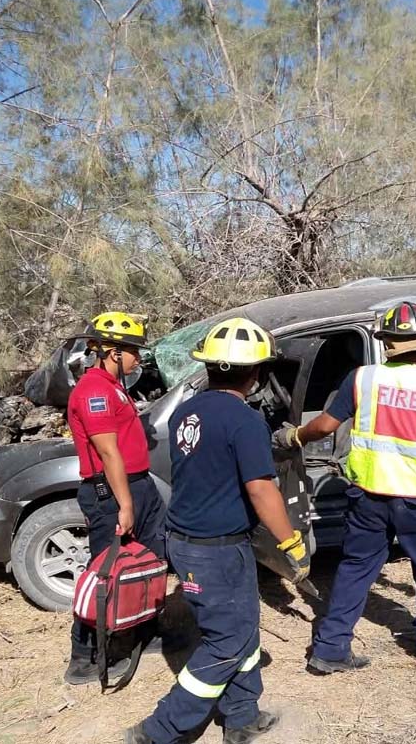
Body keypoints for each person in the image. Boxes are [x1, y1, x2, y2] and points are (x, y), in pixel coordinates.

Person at [273, 300, 416, 672]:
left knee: (356, 568)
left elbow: (323, 426)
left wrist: (295, 436)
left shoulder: (363, 379)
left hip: (368, 496)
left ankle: (330, 649)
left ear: (385, 341)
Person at [126, 318, 310, 744]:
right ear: (257, 373)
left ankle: (242, 716)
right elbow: (262, 491)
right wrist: (291, 543)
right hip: (216, 551)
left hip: (193, 541)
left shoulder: (186, 413)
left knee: (243, 628)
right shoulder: (246, 422)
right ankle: (158, 731)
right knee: (227, 641)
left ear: (208, 367)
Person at [64, 311, 166, 685]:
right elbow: (108, 454)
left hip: (137, 485)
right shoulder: (93, 391)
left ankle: (146, 630)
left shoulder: (113, 386)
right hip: (111, 493)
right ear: (111, 351)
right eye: (132, 351)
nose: (138, 358)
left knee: (150, 559)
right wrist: (125, 505)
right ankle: (84, 654)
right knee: (105, 571)